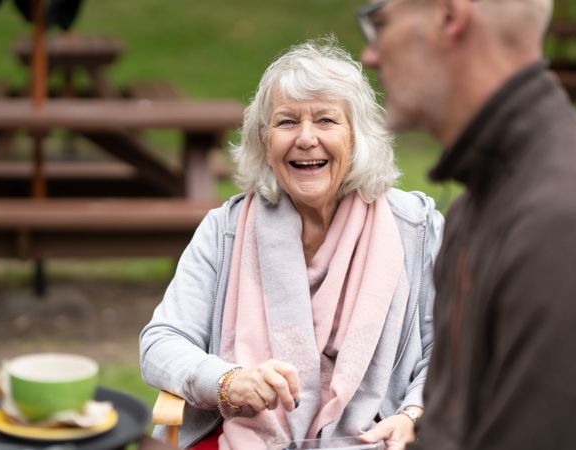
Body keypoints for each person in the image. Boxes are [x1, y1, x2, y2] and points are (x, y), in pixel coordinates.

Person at [140, 39, 444, 450]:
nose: (305, 139)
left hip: (374, 437)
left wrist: (413, 416)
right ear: (264, 141)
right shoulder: (224, 230)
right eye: (286, 122)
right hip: (242, 435)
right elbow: (161, 342)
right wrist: (228, 381)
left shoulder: (416, 228)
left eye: (325, 121)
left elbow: (449, 352)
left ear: (358, 138)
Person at [357, 0, 576, 449]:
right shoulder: (476, 205)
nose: (371, 55)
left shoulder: (567, 218)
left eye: (380, 23)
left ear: (448, 18)